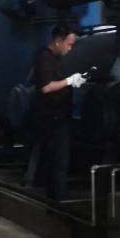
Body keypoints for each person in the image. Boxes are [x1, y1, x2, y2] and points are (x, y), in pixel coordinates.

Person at [33, 23, 85, 202]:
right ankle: (59, 201)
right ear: (58, 41)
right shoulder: (44, 58)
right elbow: (46, 87)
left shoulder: (55, 59)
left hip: (60, 116)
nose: (70, 49)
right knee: (58, 161)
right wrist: (69, 81)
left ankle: (54, 200)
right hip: (52, 118)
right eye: (69, 44)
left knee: (56, 161)